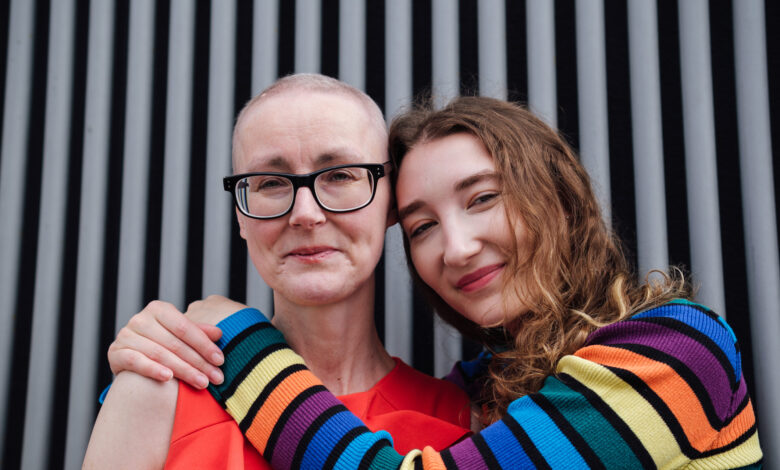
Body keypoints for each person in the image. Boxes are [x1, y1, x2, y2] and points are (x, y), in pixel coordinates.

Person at [112, 97, 763, 468]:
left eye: (482, 198)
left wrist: (242, 338)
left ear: (558, 197)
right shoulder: (477, 400)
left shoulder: (678, 348)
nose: (455, 247)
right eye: (421, 226)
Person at [82, 75, 472, 469]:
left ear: (390, 201)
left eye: (339, 175)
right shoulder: (158, 389)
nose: (305, 214)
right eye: (270, 183)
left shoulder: (466, 416)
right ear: (240, 215)